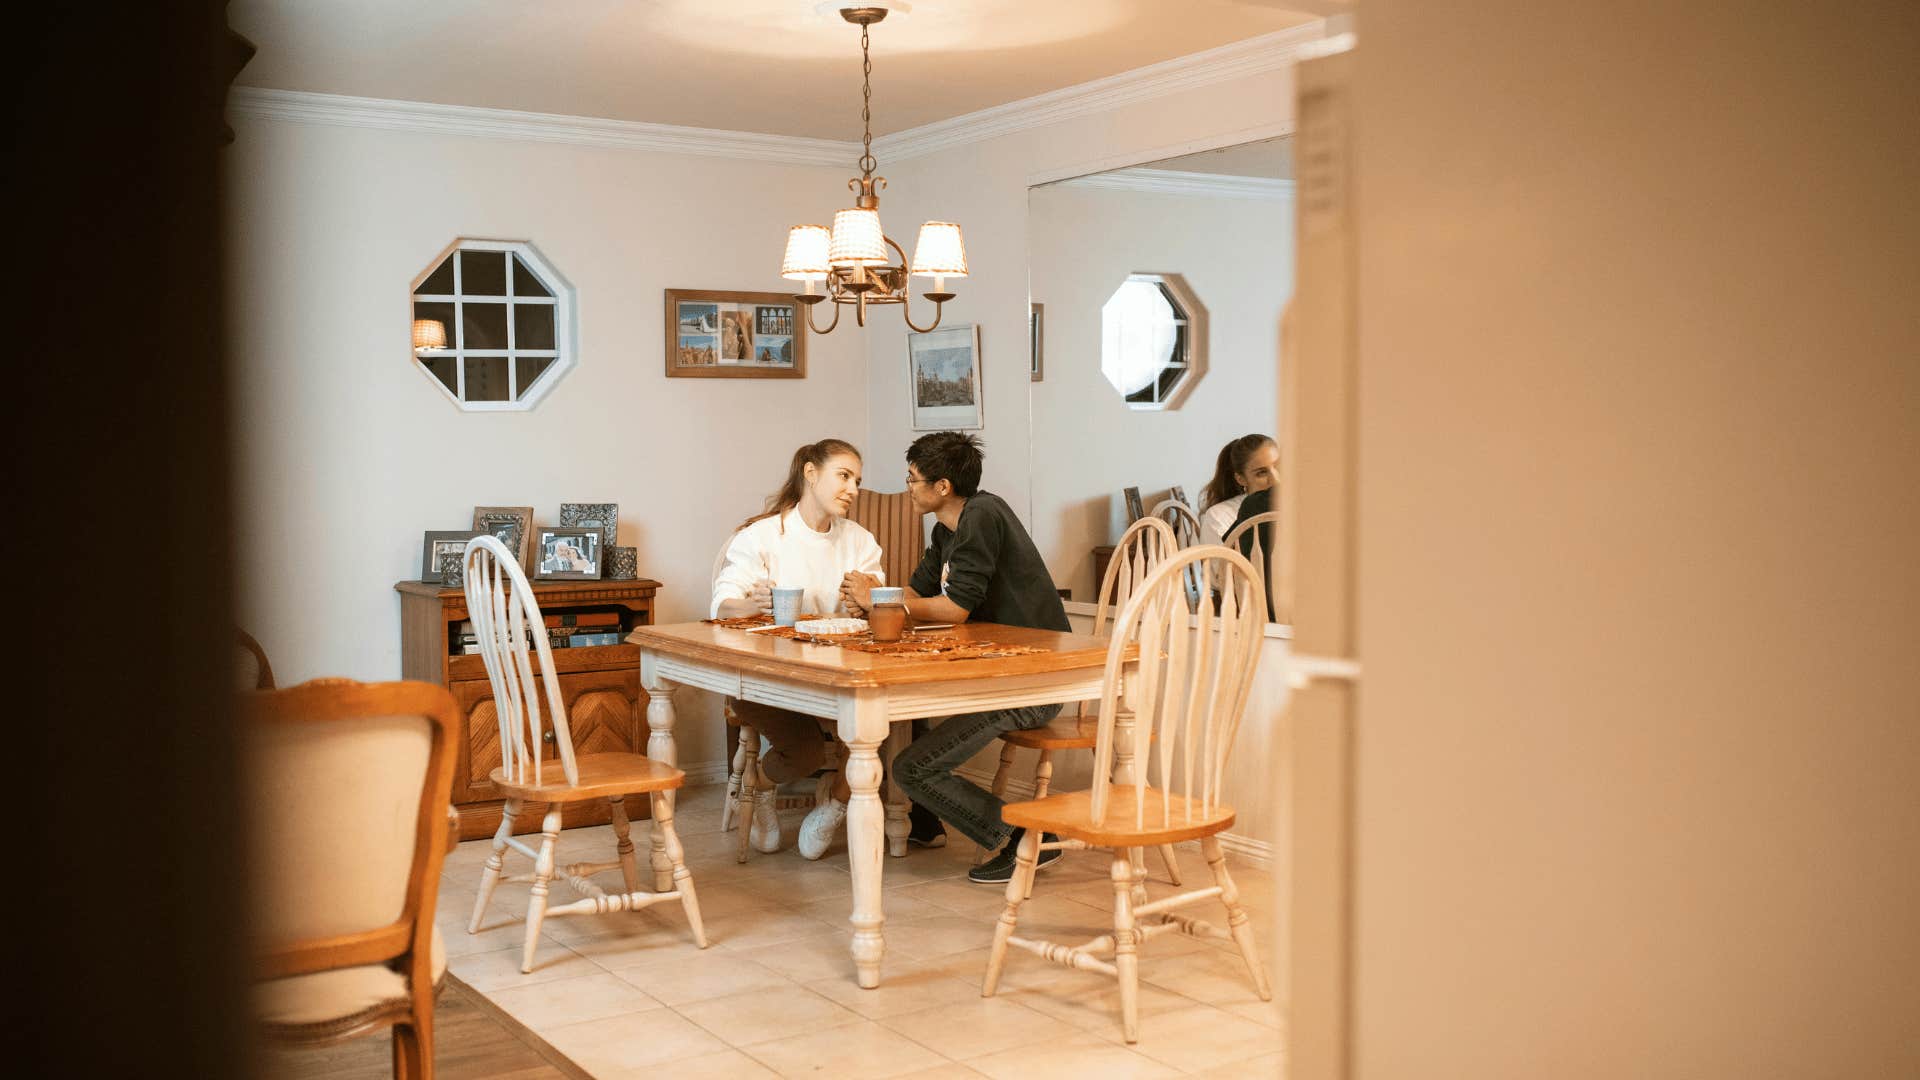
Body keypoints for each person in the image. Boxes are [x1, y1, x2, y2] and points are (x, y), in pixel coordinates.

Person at [841, 431, 1075, 884]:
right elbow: (918, 591)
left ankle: (1027, 838)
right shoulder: (946, 527)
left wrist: (883, 606)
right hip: (996, 674)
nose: (907, 486)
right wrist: (873, 599)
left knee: (912, 766)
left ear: (941, 487)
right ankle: (928, 822)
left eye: (912, 479)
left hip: (1033, 681)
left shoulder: (982, 515)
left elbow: (955, 608)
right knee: (910, 718)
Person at [712, 438, 884, 858]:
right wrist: (749, 605)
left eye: (857, 481)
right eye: (843, 476)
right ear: (810, 473)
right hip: (765, 676)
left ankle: (833, 808)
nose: (853, 489)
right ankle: (761, 787)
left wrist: (866, 598)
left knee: (875, 731)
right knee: (806, 752)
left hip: (837, 674)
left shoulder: (859, 541)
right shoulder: (763, 536)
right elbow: (721, 605)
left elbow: (880, 601)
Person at [1198, 434, 1279, 544]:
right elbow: (1220, 561)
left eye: (1279, 466)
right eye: (1261, 473)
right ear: (1241, 479)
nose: (1275, 480)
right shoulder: (1218, 516)